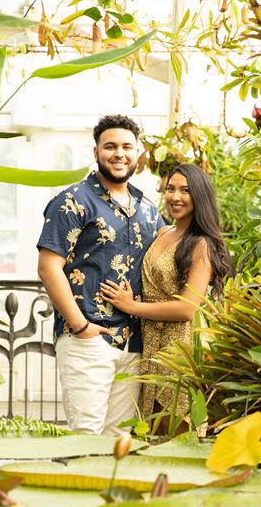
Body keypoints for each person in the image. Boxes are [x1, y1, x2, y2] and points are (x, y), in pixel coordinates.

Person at [37, 115, 166, 435]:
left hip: (134, 343)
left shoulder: (147, 208)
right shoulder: (73, 200)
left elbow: (171, 252)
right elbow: (48, 267)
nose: (119, 153)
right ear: (96, 152)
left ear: (138, 153)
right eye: (110, 146)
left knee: (119, 439)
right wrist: (81, 326)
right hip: (87, 337)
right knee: (86, 435)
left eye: (127, 147)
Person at [100, 163, 234, 432]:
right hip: (151, 344)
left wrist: (132, 306)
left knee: (175, 430)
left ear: (199, 196)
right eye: (171, 189)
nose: (175, 197)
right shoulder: (163, 232)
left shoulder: (201, 244)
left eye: (185, 190)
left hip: (179, 349)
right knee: (150, 430)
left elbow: (187, 309)